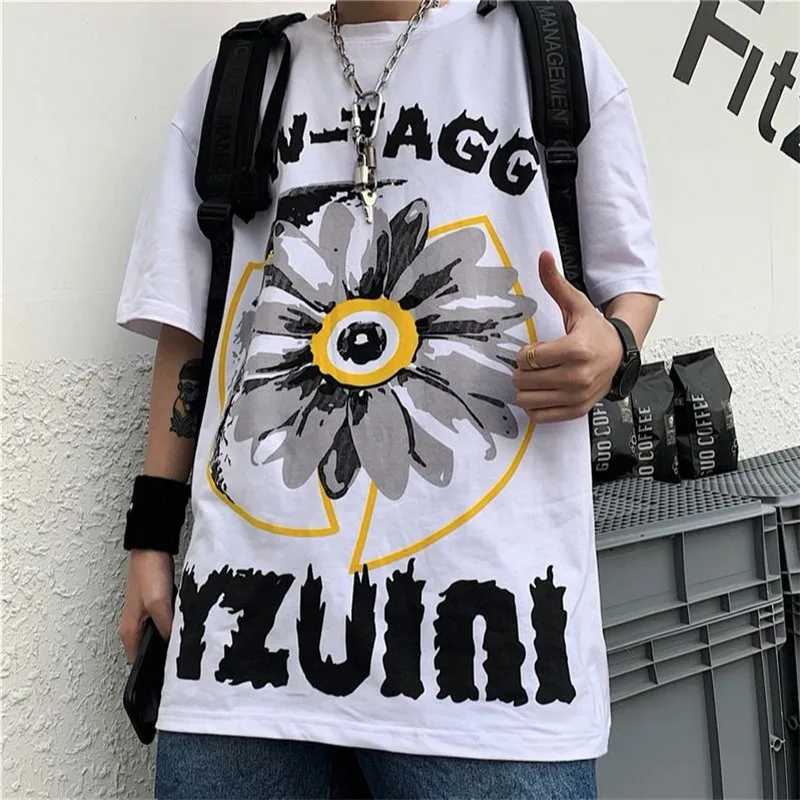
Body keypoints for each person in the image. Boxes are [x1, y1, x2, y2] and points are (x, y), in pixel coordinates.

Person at [117, 0, 663, 797]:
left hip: (496, 669)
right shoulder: (239, 80)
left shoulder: (548, 53)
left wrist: (614, 349)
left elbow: (629, 282)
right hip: (243, 655)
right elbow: (188, 328)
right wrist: (149, 540)